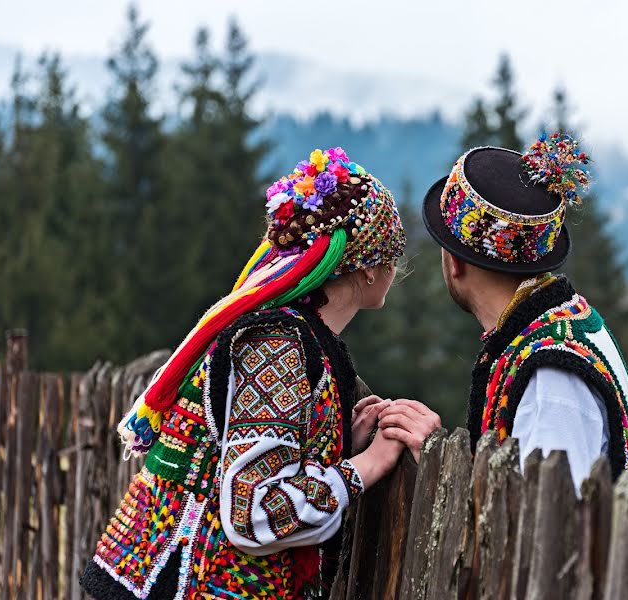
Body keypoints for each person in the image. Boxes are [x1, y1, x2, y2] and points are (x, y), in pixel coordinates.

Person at [81, 147, 433, 599]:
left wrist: (336, 444)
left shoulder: (296, 336)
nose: (394, 269)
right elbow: (254, 512)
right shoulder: (278, 345)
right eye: (392, 256)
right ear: (367, 268)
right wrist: (365, 466)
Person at [406, 133, 628, 488]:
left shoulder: (549, 378)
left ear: (455, 261)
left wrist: (440, 463)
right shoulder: (562, 323)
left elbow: (546, 525)